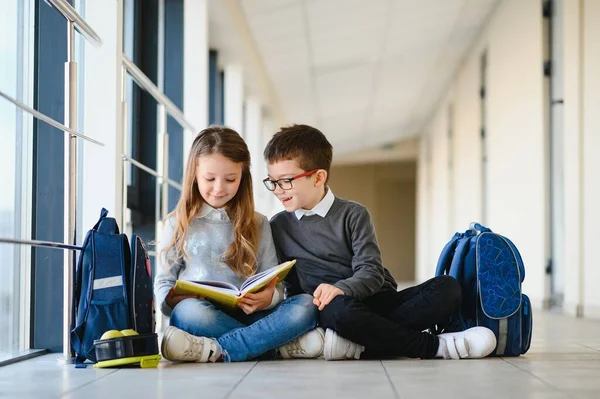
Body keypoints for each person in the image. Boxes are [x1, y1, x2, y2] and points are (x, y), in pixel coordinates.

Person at [263, 124, 497, 361]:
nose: (278, 190)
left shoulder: (353, 214)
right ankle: (433, 346)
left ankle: (358, 344)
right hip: (338, 311)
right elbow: (291, 288)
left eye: (285, 181)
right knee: (338, 312)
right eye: (272, 182)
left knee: (447, 288)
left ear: (318, 177)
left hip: (377, 300)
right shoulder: (277, 226)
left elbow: (371, 272)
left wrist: (341, 288)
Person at [154, 126, 324, 363]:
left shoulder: (259, 223)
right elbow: (164, 281)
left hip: (252, 315)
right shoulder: (177, 223)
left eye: (230, 179)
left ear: (243, 178)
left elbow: (275, 282)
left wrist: (268, 298)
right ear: (194, 174)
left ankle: (215, 349)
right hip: (204, 316)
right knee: (186, 312)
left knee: (306, 304)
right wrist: (171, 300)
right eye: (210, 179)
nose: (219, 188)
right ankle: (276, 347)